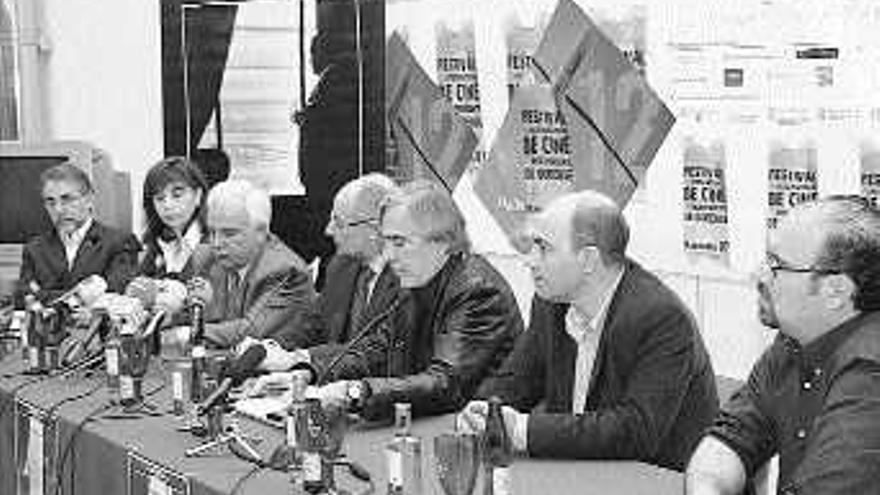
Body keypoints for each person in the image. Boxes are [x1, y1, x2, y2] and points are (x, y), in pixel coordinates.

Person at [459, 190, 718, 472]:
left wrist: (522, 430)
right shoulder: (551, 303)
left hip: (659, 483)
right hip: (579, 476)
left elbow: (635, 430)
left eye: (543, 248)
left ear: (588, 260)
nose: (530, 260)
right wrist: (482, 410)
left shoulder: (662, 319)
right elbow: (516, 382)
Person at [262, 180, 523, 421]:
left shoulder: (477, 291)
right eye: (387, 242)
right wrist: (309, 371)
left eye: (399, 242)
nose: (389, 255)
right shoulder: (417, 279)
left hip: (470, 436)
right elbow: (376, 348)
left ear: (442, 242)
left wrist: (356, 392)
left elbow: (445, 384)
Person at [686, 195, 880, 494]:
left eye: (776, 264)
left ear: (835, 291)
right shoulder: (792, 343)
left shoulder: (870, 373)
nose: (758, 274)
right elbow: (731, 439)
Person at [268, 173, 401, 354]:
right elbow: (312, 327)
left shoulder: (407, 276)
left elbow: (377, 351)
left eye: (338, 222)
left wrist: (306, 359)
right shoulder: (340, 266)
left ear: (374, 230)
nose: (328, 230)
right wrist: (269, 349)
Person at [187, 179, 316, 348]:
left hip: (276, 369)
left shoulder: (285, 271)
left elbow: (250, 330)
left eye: (229, 233)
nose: (217, 243)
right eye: (212, 232)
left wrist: (186, 333)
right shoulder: (206, 257)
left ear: (261, 232)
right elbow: (185, 311)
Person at [16, 162, 140, 304]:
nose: (58, 210)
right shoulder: (35, 249)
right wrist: (83, 297)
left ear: (89, 199)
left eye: (67, 199)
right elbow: (24, 298)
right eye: (51, 202)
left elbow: (114, 295)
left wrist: (43, 294)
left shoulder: (120, 242)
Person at [139, 156, 209, 280]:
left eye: (177, 195)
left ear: (198, 195)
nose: (167, 205)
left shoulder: (213, 244)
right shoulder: (154, 248)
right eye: (160, 198)